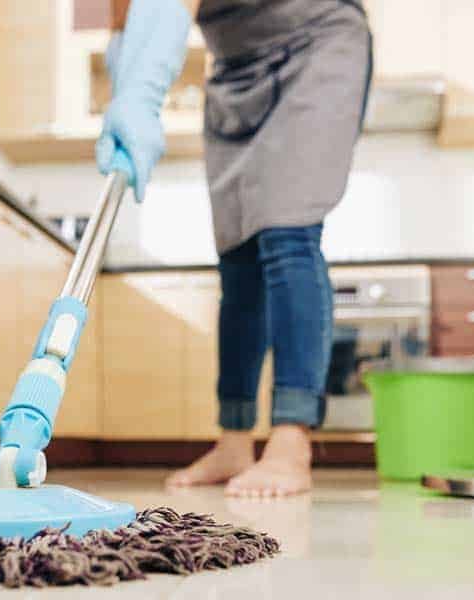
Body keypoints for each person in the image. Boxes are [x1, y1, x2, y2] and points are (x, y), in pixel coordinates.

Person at [96, 0, 372, 497]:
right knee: (239, 260)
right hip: (233, 69)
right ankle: (234, 439)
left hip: (315, 39)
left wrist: (141, 94)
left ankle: (291, 441)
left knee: (287, 233)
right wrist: (124, 87)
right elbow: (126, 17)